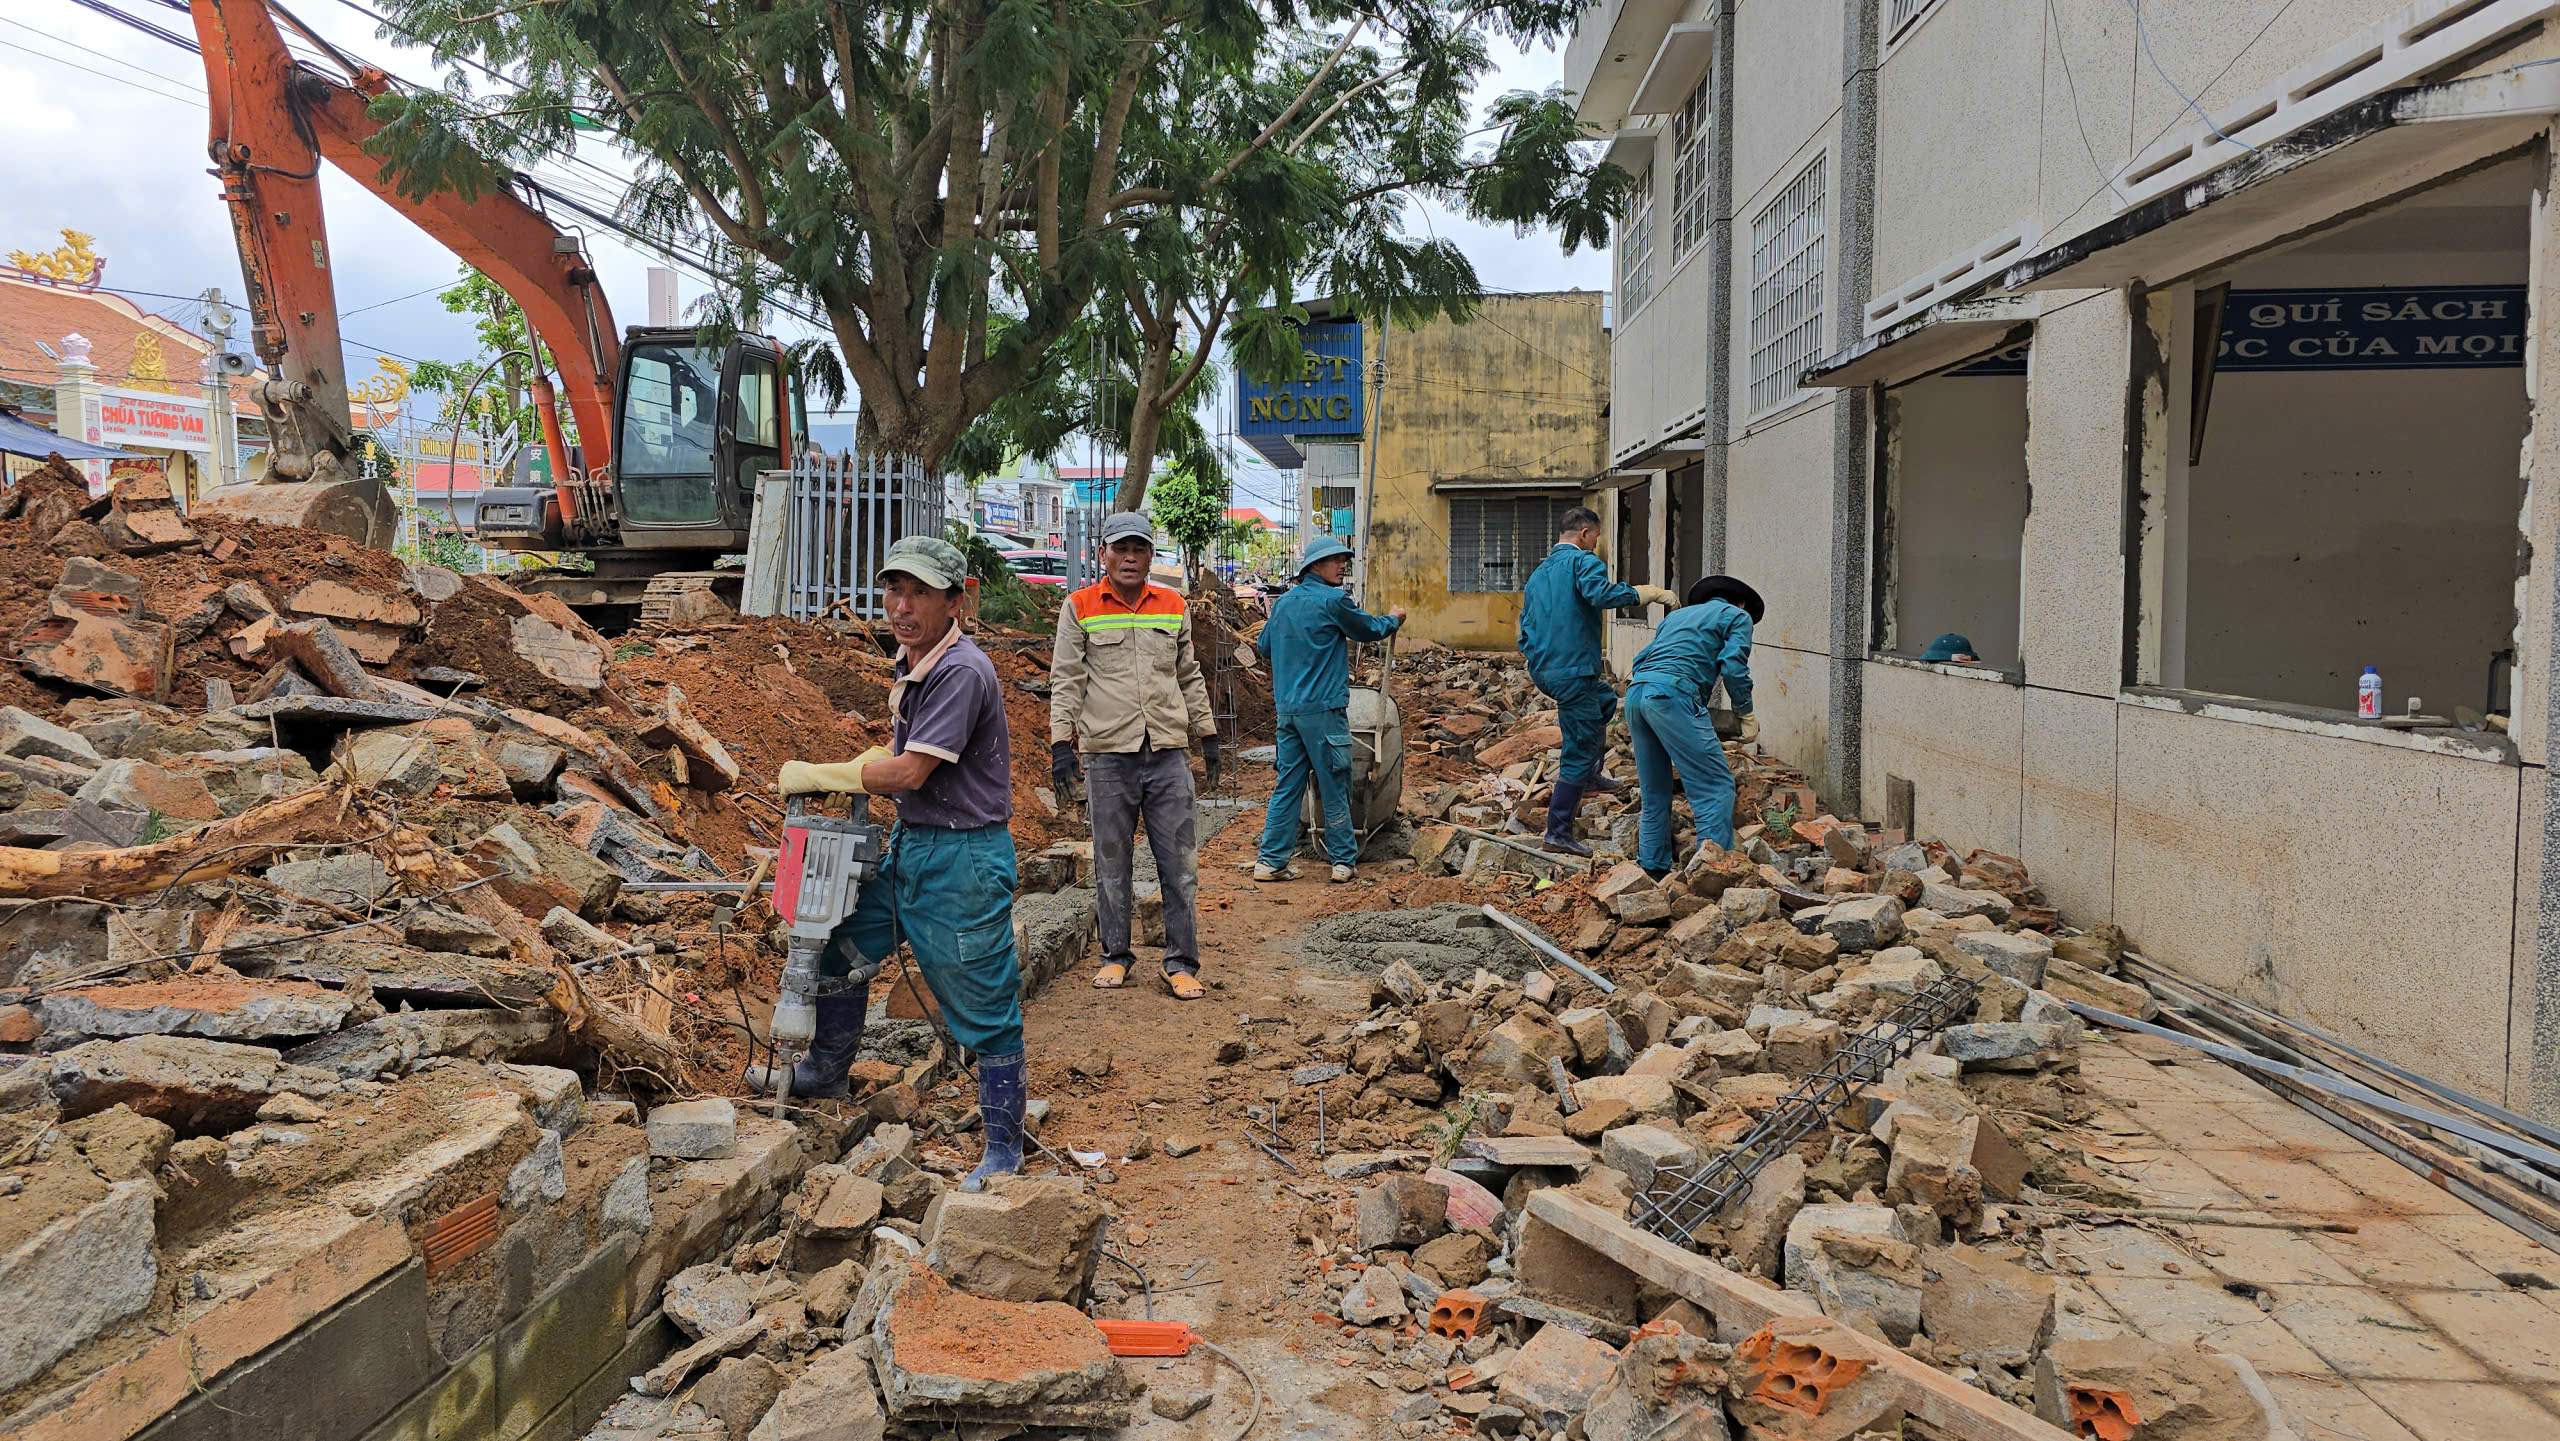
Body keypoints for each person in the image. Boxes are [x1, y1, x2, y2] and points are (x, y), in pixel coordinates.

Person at [765, 535, 1028, 1192]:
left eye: (919, 593)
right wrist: (857, 768)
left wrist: (833, 772)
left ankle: (1003, 1148)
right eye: (894, 590)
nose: (901, 606)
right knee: (840, 945)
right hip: (917, 843)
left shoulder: (962, 671)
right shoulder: (919, 661)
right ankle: (825, 1071)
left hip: (962, 859)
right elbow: (899, 749)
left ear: (954, 600)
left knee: (986, 1002)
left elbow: (910, 768)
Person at [1048, 512, 1220, 1001]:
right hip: (1108, 756)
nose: (1129, 557)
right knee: (1111, 862)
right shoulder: (1079, 606)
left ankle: (1181, 963)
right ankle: (1115, 958)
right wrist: (1062, 744)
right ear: (1103, 553)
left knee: (1179, 864)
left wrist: (1206, 734)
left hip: (1167, 754)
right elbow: (1067, 679)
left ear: (1150, 556)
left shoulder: (1172, 605)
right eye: (1120, 548)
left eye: (1139, 549)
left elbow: (1188, 675)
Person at [1518, 507, 1679, 856]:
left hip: (1548, 669)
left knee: (1605, 702)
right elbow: (1600, 595)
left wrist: (1537, 659)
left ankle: (1591, 776)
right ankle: (1558, 832)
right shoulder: (1583, 562)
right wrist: (1644, 593)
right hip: (1573, 670)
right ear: (1584, 534)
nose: (1596, 544)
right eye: (1596, 537)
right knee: (1578, 745)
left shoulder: (1539, 573)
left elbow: (1525, 626)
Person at [1254, 535, 1404, 883]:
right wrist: (1394, 619)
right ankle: (1342, 861)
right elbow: (1368, 630)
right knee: (1335, 783)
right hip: (1323, 711)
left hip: (1288, 712)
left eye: (1344, 560)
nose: (1342, 566)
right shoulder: (1335, 600)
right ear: (1315, 566)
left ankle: (1270, 861)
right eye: (1336, 560)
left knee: (1288, 785)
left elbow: (1263, 647)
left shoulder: (1284, 605)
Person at [1621, 574, 1765, 879]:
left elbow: (1642, 658)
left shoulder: (1678, 617)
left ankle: (1652, 870)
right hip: (1672, 696)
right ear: (1741, 603)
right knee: (1715, 787)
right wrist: (1745, 712)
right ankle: (1711, 876)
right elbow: (1734, 665)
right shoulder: (1737, 616)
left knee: (1655, 790)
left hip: (1637, 694)